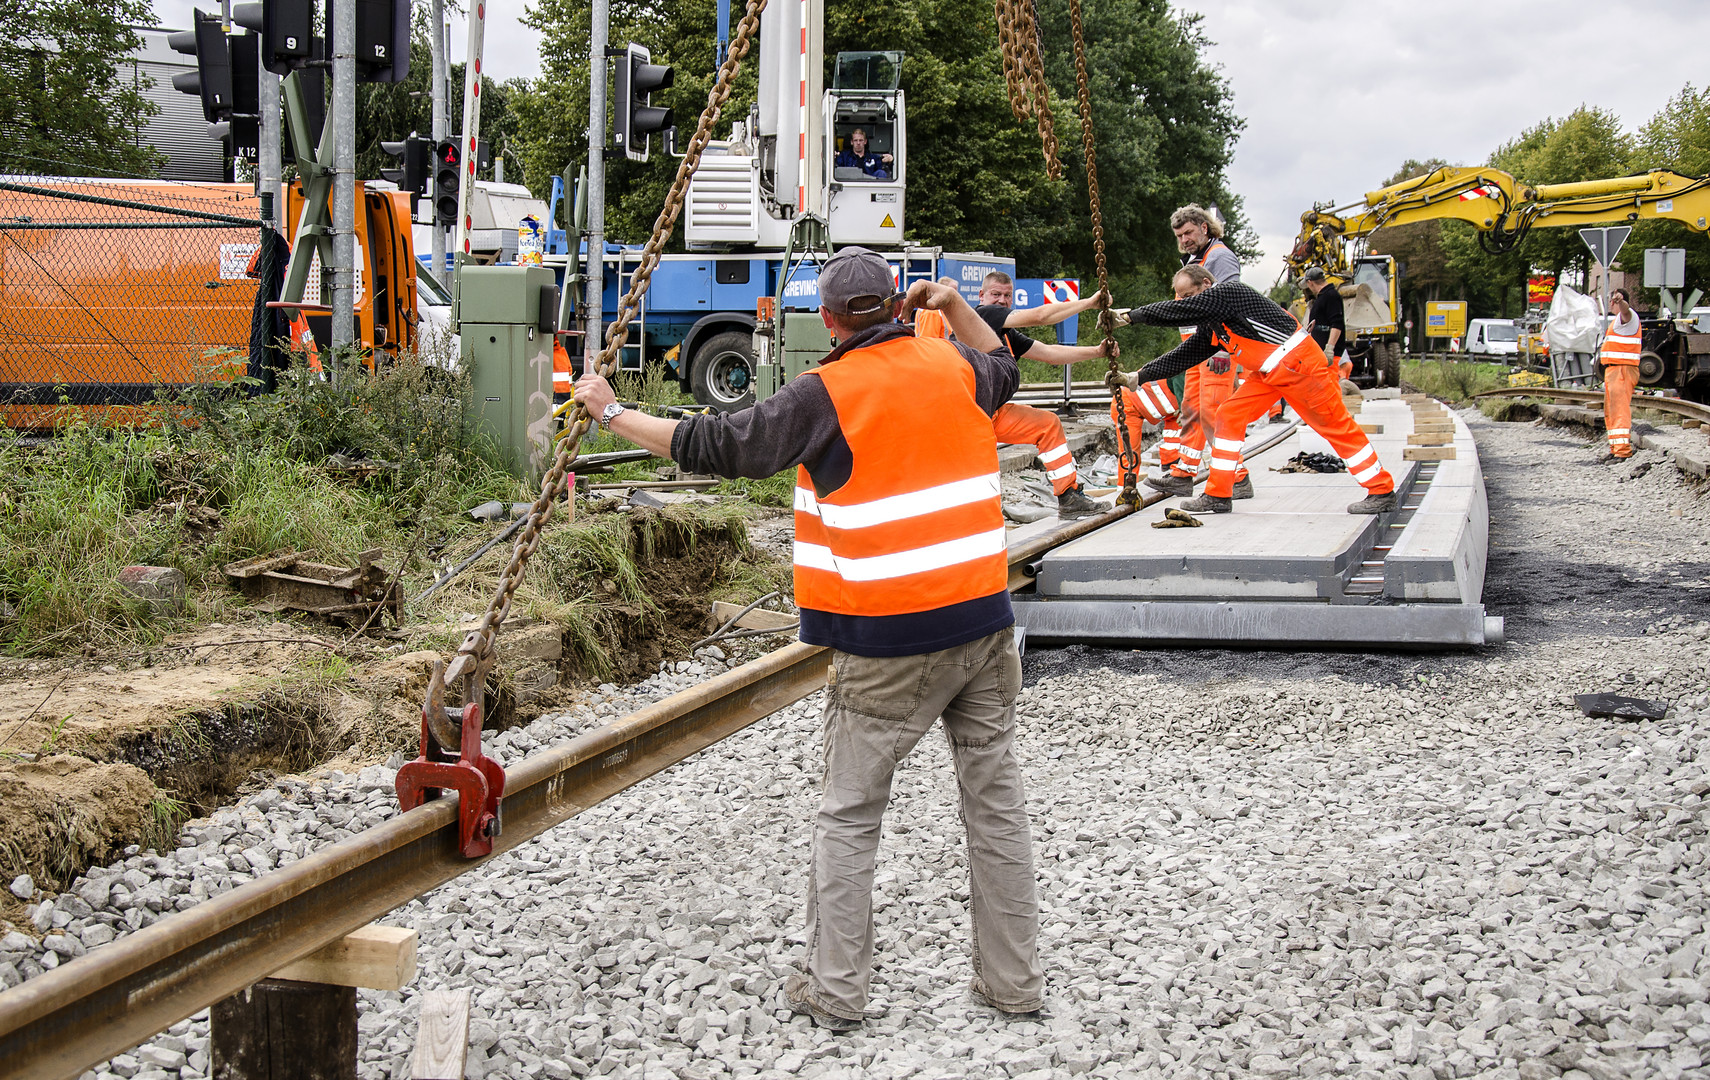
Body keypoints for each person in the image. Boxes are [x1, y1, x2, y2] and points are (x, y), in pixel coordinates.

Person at [573, 247, 1044, 1031]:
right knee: (995, 806)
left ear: (824, 320)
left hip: (890, 645)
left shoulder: (824, 392)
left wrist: (612, 413)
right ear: (897, 305)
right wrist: (954, 303)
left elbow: (717, 445)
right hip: (985, 630)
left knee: (851, 813)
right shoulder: (949, 364)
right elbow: (1005, 368)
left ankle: (836, 990)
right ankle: (1013, 985)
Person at [1113, 263, 1397, 515]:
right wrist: (1140, 376)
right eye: (1180, 297)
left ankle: (1381, 490)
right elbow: (1185, 354)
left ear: (1207, 286)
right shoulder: (1216, 326)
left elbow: (1179, 312)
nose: (1185, 303)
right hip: (1271, 373)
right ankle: (1218, 494)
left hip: (1300, 366)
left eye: (1188, 295)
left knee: (1334, 425)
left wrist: (1131, 316)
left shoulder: (1229, 294)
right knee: (1229, 415)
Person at [969, 271, 1114, 519]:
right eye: (996, 294)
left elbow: (1048, 353)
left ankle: (1068, 496)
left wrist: (1098, 352)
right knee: (978, 474)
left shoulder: (1006, 333)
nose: (1002, 300)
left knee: (1048, 425)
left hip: (991, 411)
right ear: (982, 296)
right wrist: (1090, 302)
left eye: (1007, 295)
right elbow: (1040, 316)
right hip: (968, 414)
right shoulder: (982, 315)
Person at [1598, 287, 1642, 460]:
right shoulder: (1618, 321)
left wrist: (1621, 301)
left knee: (1619, 410)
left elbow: (1625, 310)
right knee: (1612, 411)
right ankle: (1615, 448)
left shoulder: (1628, 317)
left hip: (1622, 369)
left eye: (1612, 300)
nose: (1611, 303)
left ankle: (1623, 451)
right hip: (1615, 370)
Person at [1302, 267, 1347, 372]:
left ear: (1310, 282)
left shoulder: (1331, 296)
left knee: (1330, 385)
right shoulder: (1323, 297)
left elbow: (1337, 323)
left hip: (1329, 355)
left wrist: (1330, 348)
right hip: (1321, 353)